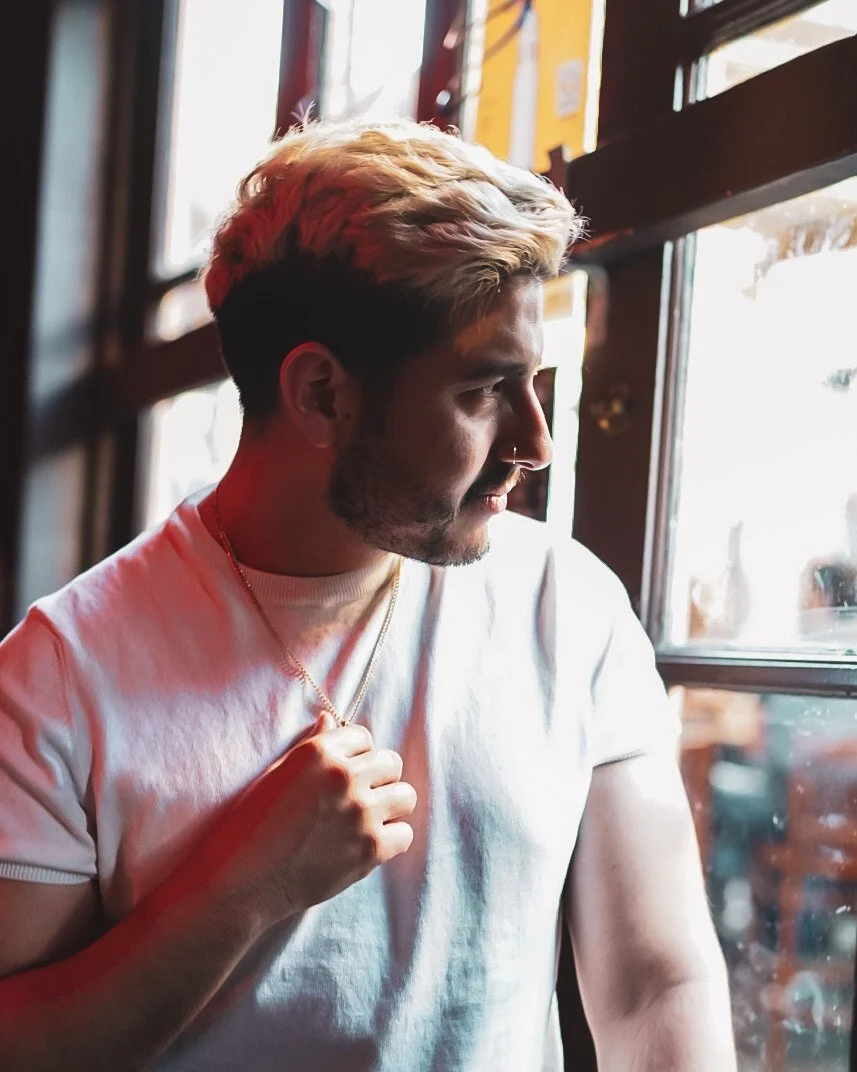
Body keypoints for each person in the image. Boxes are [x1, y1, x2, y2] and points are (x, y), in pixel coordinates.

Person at [0, 118, 735, 1071]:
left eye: (537, 384)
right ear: (320, 394)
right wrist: (242, 887)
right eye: (485, 390)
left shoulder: (569, 604)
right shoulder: (58, 674)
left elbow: (653, 986)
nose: (535, 441)